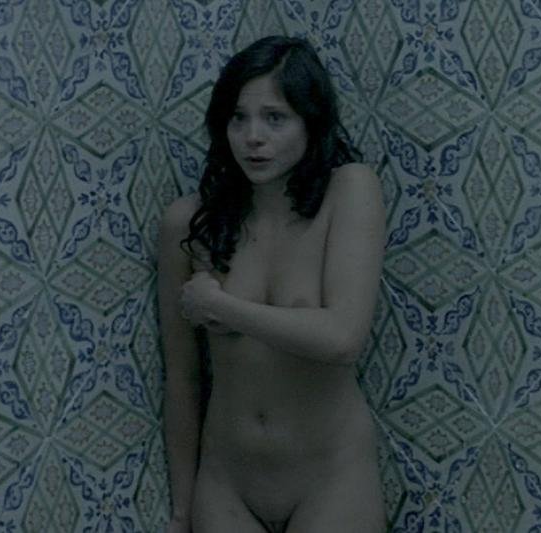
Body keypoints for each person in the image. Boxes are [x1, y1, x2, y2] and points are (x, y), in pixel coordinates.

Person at [157, 36, 386, 532]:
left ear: (310, 121)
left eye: (275, 118)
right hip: (227, 485)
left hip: (331, 478)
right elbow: (182, 379)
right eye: (238, 118)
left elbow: (343, 337)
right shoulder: (189, 225)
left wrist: (222, 307)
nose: (253, 137)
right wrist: (182, 510)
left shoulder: (349, 190)